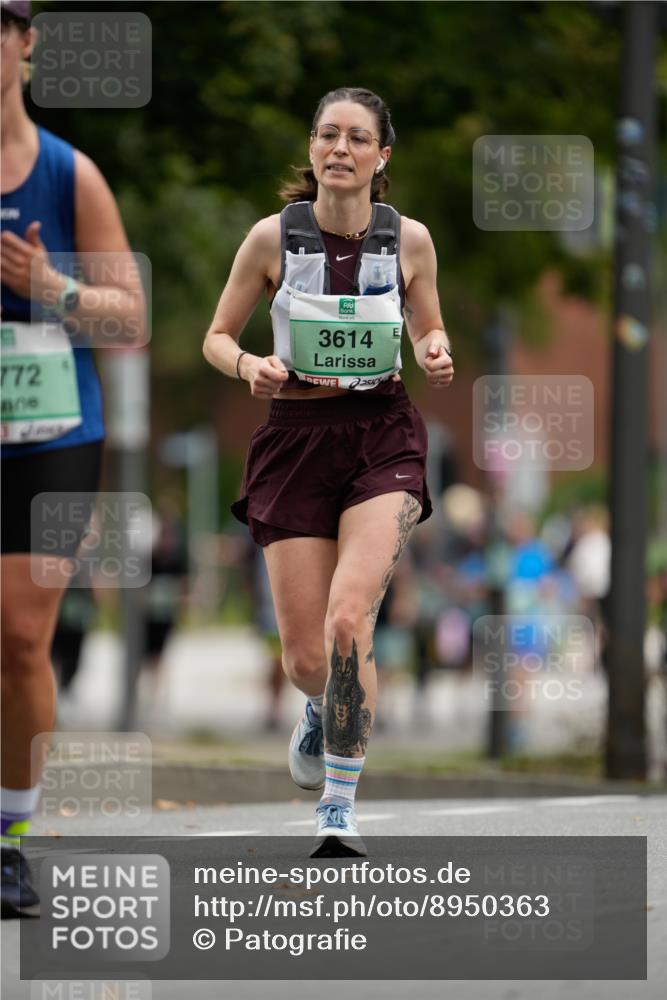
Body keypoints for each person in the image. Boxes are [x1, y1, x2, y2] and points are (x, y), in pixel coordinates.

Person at [203, 87, 453, 857]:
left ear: (382, 157)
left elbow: (427, 322)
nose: (338, 148)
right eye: (326, 135)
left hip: (381, 438)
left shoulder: (408, 240)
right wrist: (248, 365)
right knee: (308, 657)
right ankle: (318, 711)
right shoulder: (268, 239)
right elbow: (214, 336)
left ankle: (337, 809)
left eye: (356, 138)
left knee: (350, 621)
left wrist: (434, 349)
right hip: (295, 440)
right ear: (311, 149)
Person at [1, 0, 144, 916]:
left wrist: (52, 288)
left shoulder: (68, 173)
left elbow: (128, 319)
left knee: (18, 635)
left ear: (26, 44)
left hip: (53, 434)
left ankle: (10, 835)